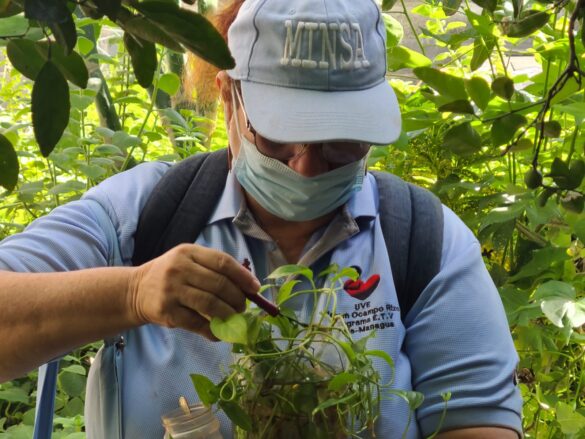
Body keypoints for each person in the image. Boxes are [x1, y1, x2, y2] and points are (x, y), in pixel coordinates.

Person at [0, 0, 522, 438]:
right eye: (277, 136)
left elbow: (479, 421)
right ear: (230, 97)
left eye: (340, 143)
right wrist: (132, 294)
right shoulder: (144, 212)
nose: (307, 165)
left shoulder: (421, 238)